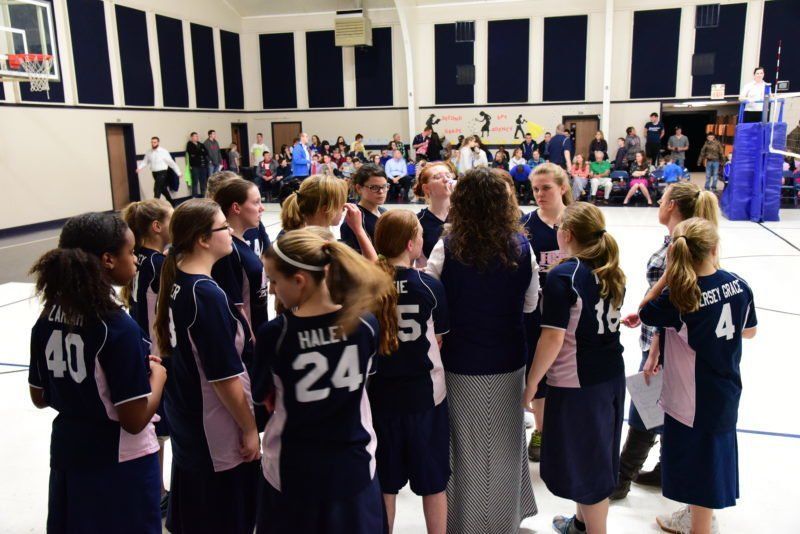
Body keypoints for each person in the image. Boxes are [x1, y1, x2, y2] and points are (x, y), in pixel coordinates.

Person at [28, 212, 165, 534]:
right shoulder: (115, 326)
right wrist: (159, 377)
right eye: (130, 252)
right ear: (107, 259)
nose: (135, 260)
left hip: (68, 452)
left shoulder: (48, 316)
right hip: (118, 461)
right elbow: (133, 420)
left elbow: (39, 396)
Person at [251, 229, 393, 534]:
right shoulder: (365, 324)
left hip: (293, 470)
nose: (272, 290)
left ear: (299, 280)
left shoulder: (275, 335)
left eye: (274, 281)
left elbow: (264, 398)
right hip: (354, 465)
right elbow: (365, 383)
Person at [425, 167, 538, 534]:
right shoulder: (522, 245)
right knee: (506, 441)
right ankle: (505, 519)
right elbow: (530, 303)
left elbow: (431, 299)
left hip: (460, 360)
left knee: (465, 445)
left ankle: (465, 520)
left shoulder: (448, 244)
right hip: (508, 358)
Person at [633, 217, 756, 534]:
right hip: (725, 390)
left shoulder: (680, 296)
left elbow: (644, 310)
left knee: (700, 474)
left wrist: (666, 278)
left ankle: (699, 526)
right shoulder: (739, 285)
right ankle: (694, 517)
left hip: (691, 398)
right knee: (708, 465)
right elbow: (750, 331)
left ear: (677, 254)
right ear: (715, 249)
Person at [155, 199, 260, 534]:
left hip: (187, 415)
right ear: (202, 239)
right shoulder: (205, 295)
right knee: (224, 516)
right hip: (214, 425)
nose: (230, 232)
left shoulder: (178, 281)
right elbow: (223, 377)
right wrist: (248, 427)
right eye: (222, 227)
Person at [611, 181, 720, 503]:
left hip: (666, 340)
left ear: (672, 206)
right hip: (662, 334)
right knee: (658, 405)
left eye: (662, 199)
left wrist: (655, 340)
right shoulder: (683, 240)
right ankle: (662, 467)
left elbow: (675, 304)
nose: (659, 202)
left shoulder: (679, 246)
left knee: (645, 409)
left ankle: (621, 478)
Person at [523, 202, 626, 534]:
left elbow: (552, 339)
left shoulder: (564, 275)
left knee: (591, 467)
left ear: (565, 234)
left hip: (578, 384)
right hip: (609, 377)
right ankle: (581, 524)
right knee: (593, 457)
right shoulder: (610, 267)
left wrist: (531, 384)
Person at [372, 210, 450, 534]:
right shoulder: (428, 285)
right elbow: (439, 340)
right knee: (433, 483)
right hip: (424, 396)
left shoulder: (366, 287)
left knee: (385, 485)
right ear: (411, 244)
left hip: (380, 397)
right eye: (419, 235)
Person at [121, 198, 174, 516]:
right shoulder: (159, 264)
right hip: (158, 354)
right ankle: (156, 491)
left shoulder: (139, 258)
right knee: (158, 428)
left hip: (144, 349)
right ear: (156, 227)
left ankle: (155, 489)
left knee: (155, 429)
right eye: (169, 220)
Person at [521, 163, 571, 462]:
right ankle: (540, 430)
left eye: (546, 188)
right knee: (538, 371)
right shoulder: (525, 224)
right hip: (537, 311)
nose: (539, 194)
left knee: (566, 370)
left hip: (572, 310)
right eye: (535, 189)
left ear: (563, 187)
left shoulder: (579, 220)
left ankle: (563, 429)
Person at [280, 175, 378, 261]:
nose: (344, 209)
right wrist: (359, 230)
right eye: (340, 205)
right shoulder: (322, 247)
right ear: (327, 209)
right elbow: (373, 266)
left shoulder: (293, 234)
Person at [340, 163, 388, 254]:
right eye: (374, 187)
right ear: (359, 188)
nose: (381, 191)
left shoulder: (384, 212)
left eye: (384, 186)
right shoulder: (353, 220)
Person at [414, 162, 453, 269]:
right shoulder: (417, 221)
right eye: (437, 177)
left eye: (448, 175)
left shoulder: (464, 216)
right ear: (426, 188)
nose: (446, 180)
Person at [137, 136, 181, 205]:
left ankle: (155, 206)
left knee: (156, 188)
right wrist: (139, 167)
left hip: (162, 172)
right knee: (163, 189)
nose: (153, 144)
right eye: (152, 142)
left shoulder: (163, 151)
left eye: (154, 142)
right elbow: (145, 161)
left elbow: (171, 162)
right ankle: (172, 202)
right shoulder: (149, 152)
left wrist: (178, 172)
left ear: (158, 142)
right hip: (154, 173)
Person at [186, 132, 210, 198]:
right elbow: (192, 152)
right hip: (195, 166)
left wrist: (199, 152)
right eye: (195, 136)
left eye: (197, 136)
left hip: (203, 165)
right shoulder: (189, 144)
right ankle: (194, 196)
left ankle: (204, 195)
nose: (197, 137)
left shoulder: (201, 144)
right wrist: (200, 151)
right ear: (192, 137)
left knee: (203, 181)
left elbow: (206, 152)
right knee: (195, 181)